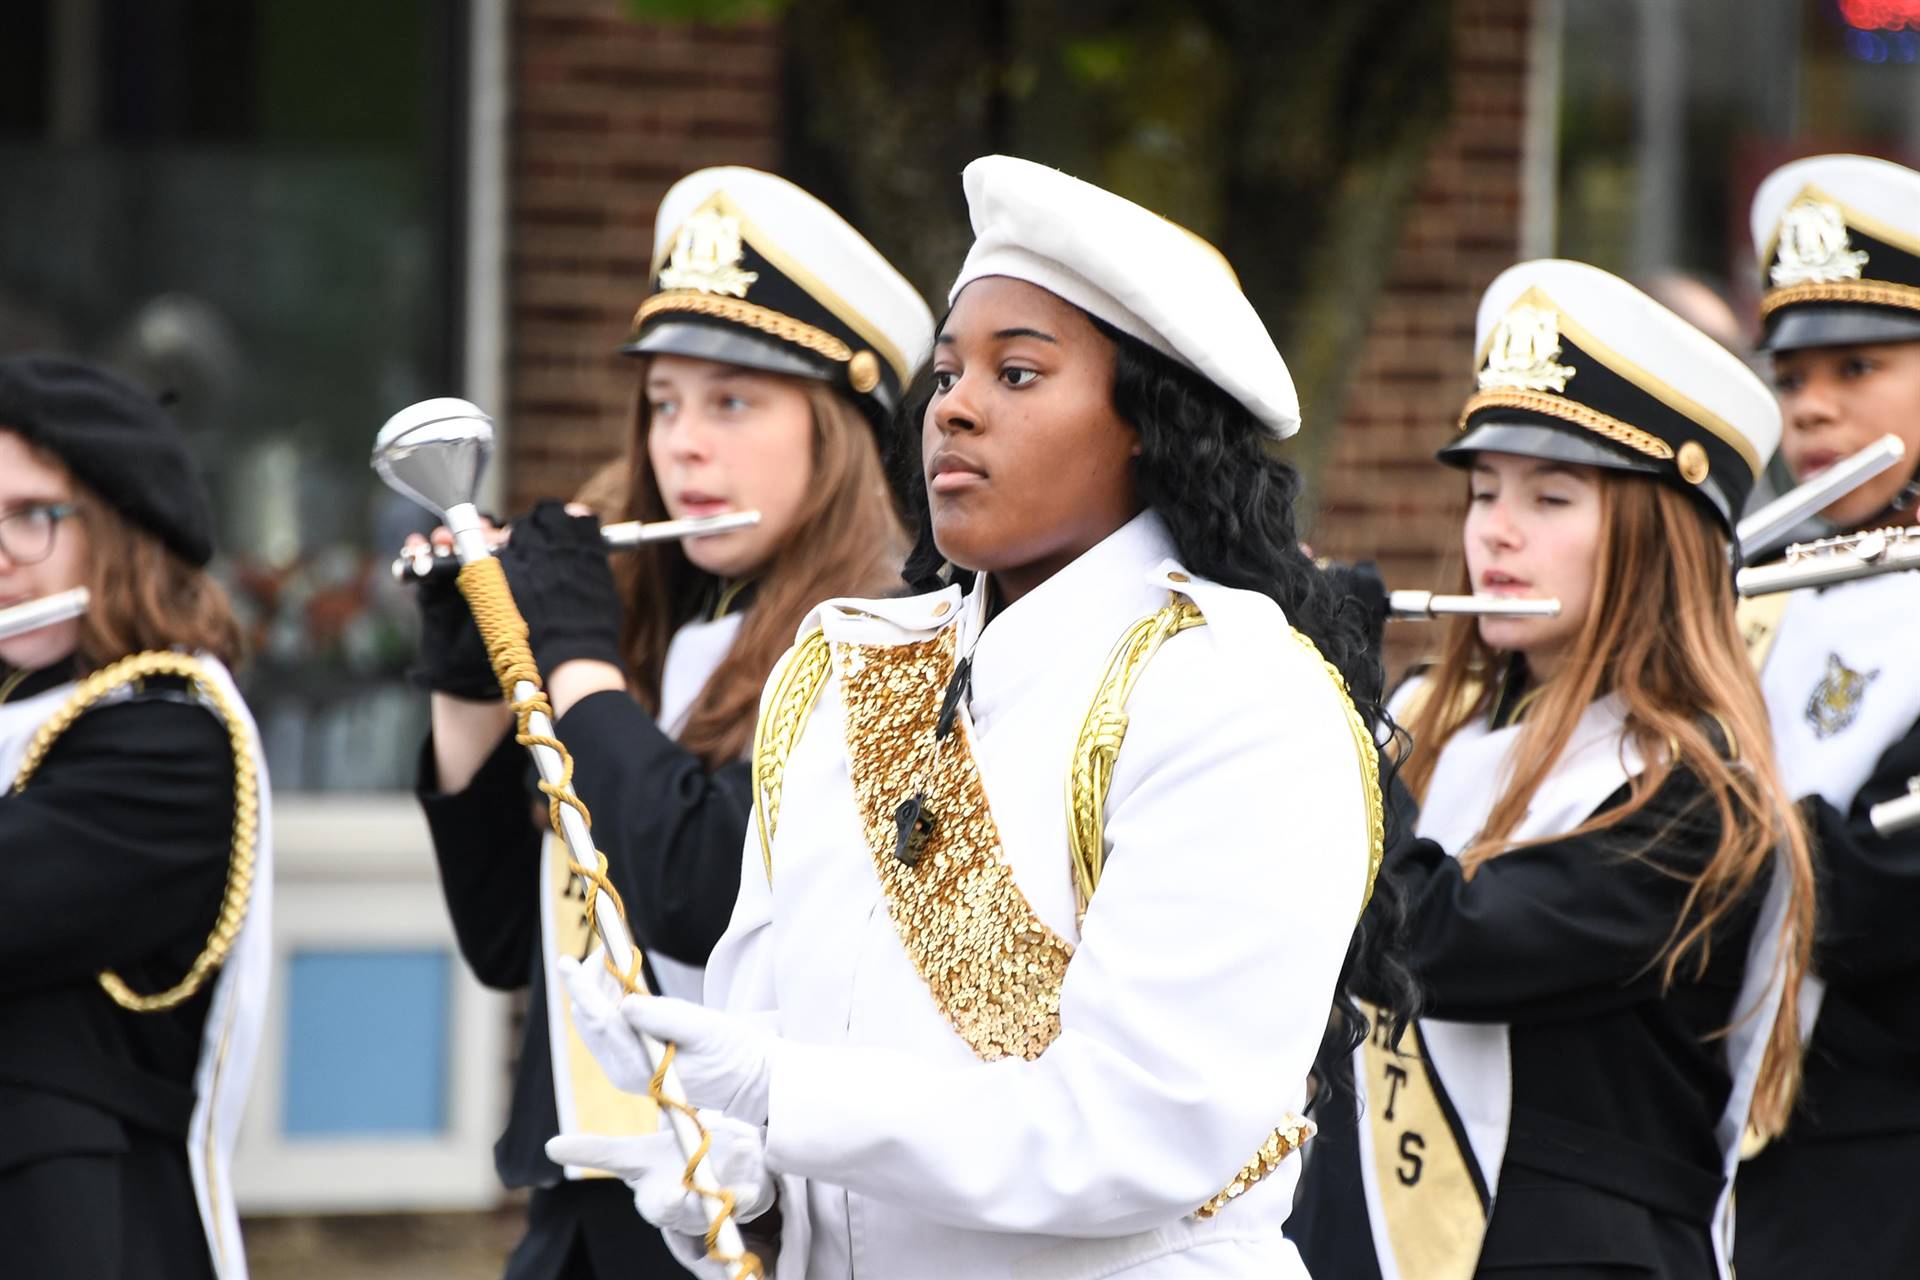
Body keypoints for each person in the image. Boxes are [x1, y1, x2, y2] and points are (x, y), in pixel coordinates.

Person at [545, 153, 1403, 1278]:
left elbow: (1142, 1130)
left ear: (1148, 420)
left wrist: (788, 1094)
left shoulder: (1237, 693)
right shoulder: (846, 668)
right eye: (949, 372)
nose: (953, 404)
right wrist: (745, 1196)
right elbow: (783, 1070)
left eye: (1018, 373)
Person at [410, 167, 932, 1280]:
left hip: (749, 1220)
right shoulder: (648, 626)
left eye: (732, 401)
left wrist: (574, 666)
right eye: (664, 402)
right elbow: (513, 943)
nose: (682, 445)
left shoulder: (885, 639)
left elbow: (698, 888)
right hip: (580, 1207)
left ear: (836, 429)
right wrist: (469, 679)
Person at [1288, 260, 1815, 1278]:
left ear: (1660, 537)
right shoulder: (1422, 725)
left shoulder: (1697, 794)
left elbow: (1436, 941)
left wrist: (1337, 690)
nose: (1497, 528)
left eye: (1553, 494)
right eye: (1484, 489)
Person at [0, 356, 271, 1279]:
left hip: (80, 1234)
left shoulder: (169, 742)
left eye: (32, 516)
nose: (0, 550)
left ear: (120, 531)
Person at [1733, 154, 1920, 1280]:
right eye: (1792, 373)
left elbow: (1888, 889)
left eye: (1859, 365)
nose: (1812, 405)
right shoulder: (1763, 581)